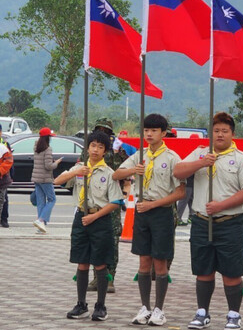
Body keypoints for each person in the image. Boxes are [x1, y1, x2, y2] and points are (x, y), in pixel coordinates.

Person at [174, 112, 243, 330]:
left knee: (231, 272)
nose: (219, 135)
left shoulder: (240, 158)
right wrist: (200, 163)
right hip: (201, 222)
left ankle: (234, 314)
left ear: (232, 134)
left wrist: (222, 205)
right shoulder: (201, 153)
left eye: (224, 131)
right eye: (216, 130)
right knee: (203, 269)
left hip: (230, 222)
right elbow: (177, 171)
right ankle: (202, 313)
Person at [113, 113, 185, 327]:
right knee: (143, 261)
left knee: (160, 263)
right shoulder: (140, 155)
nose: (149, 134)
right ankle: (144, 307)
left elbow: (181, 192)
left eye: (154, 130)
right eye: (146, 130)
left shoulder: (172, 157)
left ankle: (159, 309)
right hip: (142, 213)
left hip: (161, 212)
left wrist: (154, 204)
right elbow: (117, 174)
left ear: (163, 133)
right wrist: (133, 170)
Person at [54, 131, 124, 321]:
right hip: (80, 218)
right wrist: (76, 172)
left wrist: (96, 217)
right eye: (92, 145)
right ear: (87, 147)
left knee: (100, 263)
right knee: (81, 261)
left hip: (99, 219)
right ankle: (81, 304)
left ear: (105, 151)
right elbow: (57, 181)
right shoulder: (79, 168)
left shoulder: (109, 173)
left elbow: (116, 201)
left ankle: (100, 306)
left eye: (100, 147)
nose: (95, 150)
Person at [84, 118, 129, 293]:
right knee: (94, 242)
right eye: (99, 129)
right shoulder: (89, 148)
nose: (103, 133)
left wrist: (117, 152)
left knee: (111, 242)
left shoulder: (117, 149)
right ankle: (96, 278)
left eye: (106, 130)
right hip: (93, 199)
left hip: (111, 201)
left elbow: (123, 171)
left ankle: (109, 279)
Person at [32, 127, 62, 233]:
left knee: (41, 202)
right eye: (50, 136)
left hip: (37, 178)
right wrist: (56, 163)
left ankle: (41, 227)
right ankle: (40, 220)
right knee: (52, 199)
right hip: (45, 179)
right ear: (47, 138)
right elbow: (48, 166)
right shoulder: (48, 149)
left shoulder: (36, 147)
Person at [0, 124, 12, 228]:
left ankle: (4, 219)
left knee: (3, 200)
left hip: (2, 178)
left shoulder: (4, 144)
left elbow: (9, 161)